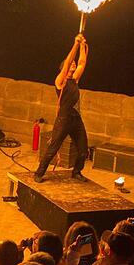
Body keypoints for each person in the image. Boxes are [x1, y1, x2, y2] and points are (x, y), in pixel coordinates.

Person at [34, 33, 89, 182]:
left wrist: (82, 46)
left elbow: (82, 62)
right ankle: (39, 173)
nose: (74, 64)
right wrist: (75, 44)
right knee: (53, 148)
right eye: (71, 63)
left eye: (74, 63)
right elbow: (68, 62)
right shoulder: (60, 81)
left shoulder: (74, 80)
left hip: (76, 119)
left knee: (83, 149)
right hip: (63, 119)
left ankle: (76, 172)